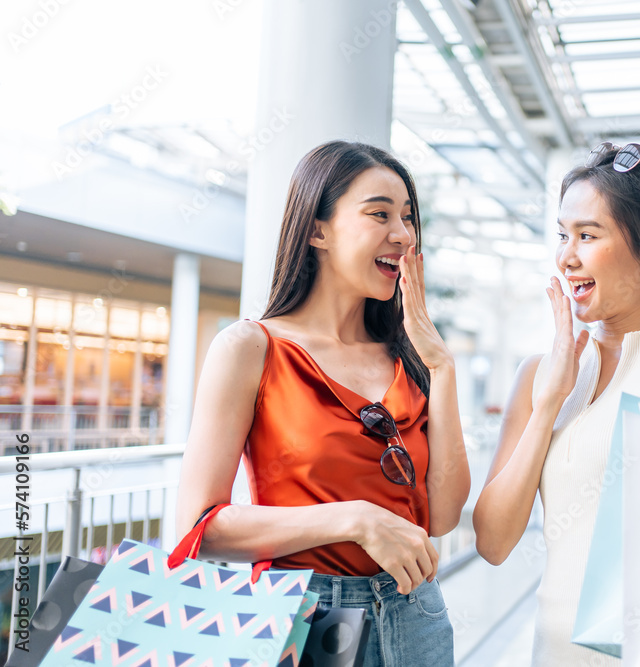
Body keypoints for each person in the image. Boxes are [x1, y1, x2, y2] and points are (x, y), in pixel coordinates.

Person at [176, 141, 470, 667]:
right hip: (304, 618)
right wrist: (353, 520)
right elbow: (197, 528)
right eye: (380, 214)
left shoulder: (411, 358)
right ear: (317, 230)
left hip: (416, 615)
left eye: (407, 218)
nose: (403, 235)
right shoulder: (251, 348)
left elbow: (443, 516)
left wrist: (443, 369)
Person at [473, 131, 640, 665]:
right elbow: (493, 542)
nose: (567, 257)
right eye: (562, 235)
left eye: (588, 236)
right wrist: (548, 401)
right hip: (554, 652)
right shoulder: (540, 374)